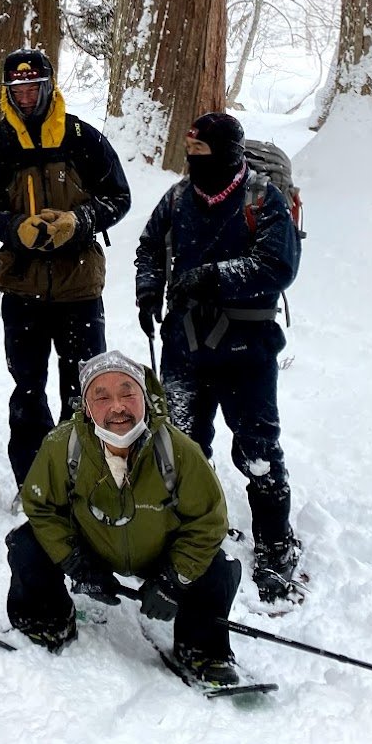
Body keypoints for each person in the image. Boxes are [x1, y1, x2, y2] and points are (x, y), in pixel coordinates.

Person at [134, 111, 302, 603]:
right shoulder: (178, 198)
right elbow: (149, 247)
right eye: (190, 155)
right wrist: (148, 292)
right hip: (185, 345)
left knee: (257, 451)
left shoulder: (262, 199)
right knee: (181, 447)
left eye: (203, 155)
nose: (193, 163)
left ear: (228, 155)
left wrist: (213, 276)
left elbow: (278, 265)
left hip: (248, 349)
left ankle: (275, 544)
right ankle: (190, 529)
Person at [7, 351, 241, 685]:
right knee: (26, 544)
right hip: (93, 545)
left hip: (160, 554)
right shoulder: (62, 445)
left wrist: (173, 580)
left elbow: (208, 522)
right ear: (86, 407)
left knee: (219, 569)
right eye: (101, 396)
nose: (117, 406)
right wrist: (75, 562)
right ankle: (45, 621)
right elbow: (41, 506)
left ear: (145, 399)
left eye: (128, 393)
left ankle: (201, 650)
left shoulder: (178, 451)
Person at [0, 49, 131, 489]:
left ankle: (83, 480)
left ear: (48, 86)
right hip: (21, 287)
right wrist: (15, 228)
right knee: (27, 390)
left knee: (84, 390)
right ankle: (34, 482)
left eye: (32, 86)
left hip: (79, 286)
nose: (25, 95)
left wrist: (78, 223)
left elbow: (119, 197)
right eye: (16, 88)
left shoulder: (82, 137)